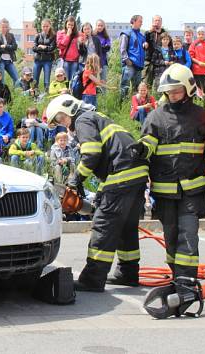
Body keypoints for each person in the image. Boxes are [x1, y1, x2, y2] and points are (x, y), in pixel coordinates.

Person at [46, 94, 148, 292]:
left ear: (70, 110)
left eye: (61, 119)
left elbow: (92, 154)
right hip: (136, 175)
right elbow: (108, 156)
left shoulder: (83, 120)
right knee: (126, 227)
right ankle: (128, 273)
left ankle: (92, 278)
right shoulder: (96, 117)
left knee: (104, 225)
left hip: (122, 174)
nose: (63, 124)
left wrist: (75, 181)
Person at [133, 63, 205, 282]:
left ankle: (187, 280)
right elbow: (149, 142)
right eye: (169, 92)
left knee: (188, 233)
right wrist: (141, 149)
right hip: (165, 190)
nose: (173, 95)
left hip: (193, 189)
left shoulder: (202, 116)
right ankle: (176, 275)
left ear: (188, 89)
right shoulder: (156, 117)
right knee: (171, 234)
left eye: (177, 91)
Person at [119, 15, 146, 98]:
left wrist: (145, 44)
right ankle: (122, 104)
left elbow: (141, 48)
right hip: (129, 64)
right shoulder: (126, 34)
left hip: (139, 65)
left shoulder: (141, 36)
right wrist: (126, 60)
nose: (142, 23)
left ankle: (134, 105)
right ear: (133, 22)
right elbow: (122, 48)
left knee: (137, 88)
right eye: (140, 21)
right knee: (125, 85)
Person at [143, 15, 167, 87]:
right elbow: (143, 41)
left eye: (159, 20)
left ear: (161, 22)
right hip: (149, 61)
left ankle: (156, 98)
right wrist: (150, 31)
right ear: (153, 22)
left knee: (159, 84)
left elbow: (169, 47)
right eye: (155, 20)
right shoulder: (148, 33)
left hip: (160, 62)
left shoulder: (164, 33)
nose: (157, 22)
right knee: (146, 83)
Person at [33, 19, 56, 92]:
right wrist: (45, 48)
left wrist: (42, 47)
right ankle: (34, 94)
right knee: (35, 80)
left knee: (46, 81)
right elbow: (34, 48)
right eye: (43, 26)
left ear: (50, 26)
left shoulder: (53, 36)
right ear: (41, 26)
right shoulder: (38, 36)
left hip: (48, 61)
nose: (45, 28)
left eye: (47, 26)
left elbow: (52, 48)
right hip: (37, 60)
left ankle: (46, 94)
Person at [0, 18, 19, 86]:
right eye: (3, 27)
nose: (4, 28)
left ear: (8, 27)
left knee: (17, 79)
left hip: (9, 61)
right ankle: (2, 95)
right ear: (0, 27)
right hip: (0, 60)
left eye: (6, 27)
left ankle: (15, 93)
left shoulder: (11, 35)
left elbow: (15, 47)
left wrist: (5, 46)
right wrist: (9, 48)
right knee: (1, 80)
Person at [189, 26, 205, 97]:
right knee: (198, 91)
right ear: (197, 35)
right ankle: (199, 104)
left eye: (202, 34)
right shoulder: (193, 44)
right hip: (197, 71)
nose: (201, 35)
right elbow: (191, 57)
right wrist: (199, 63)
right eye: (199, 34)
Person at [57, 16, 80, 83]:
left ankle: (72, 92)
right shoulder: (60, 33)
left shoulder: (77, 34)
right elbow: (60, 46)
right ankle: (65, 92)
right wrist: (67, 35)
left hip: (75, 60)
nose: (70, 26)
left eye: (72, 25)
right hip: (65, 60)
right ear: (66, 24)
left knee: (73, 79)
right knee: (65, 79)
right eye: (69, 24)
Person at [94, 19, 111, 84]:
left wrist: (99, 47)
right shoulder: (93, 36)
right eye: (98, 25)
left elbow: (107, 48)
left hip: (103, 62)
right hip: (94, 62)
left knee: (103, 80)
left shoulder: (106, 37)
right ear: (96, 26)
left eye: (101, 25)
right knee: (93, 81)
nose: (100, 27)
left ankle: (104, 94)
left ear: (104, 26)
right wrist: (102, 46)